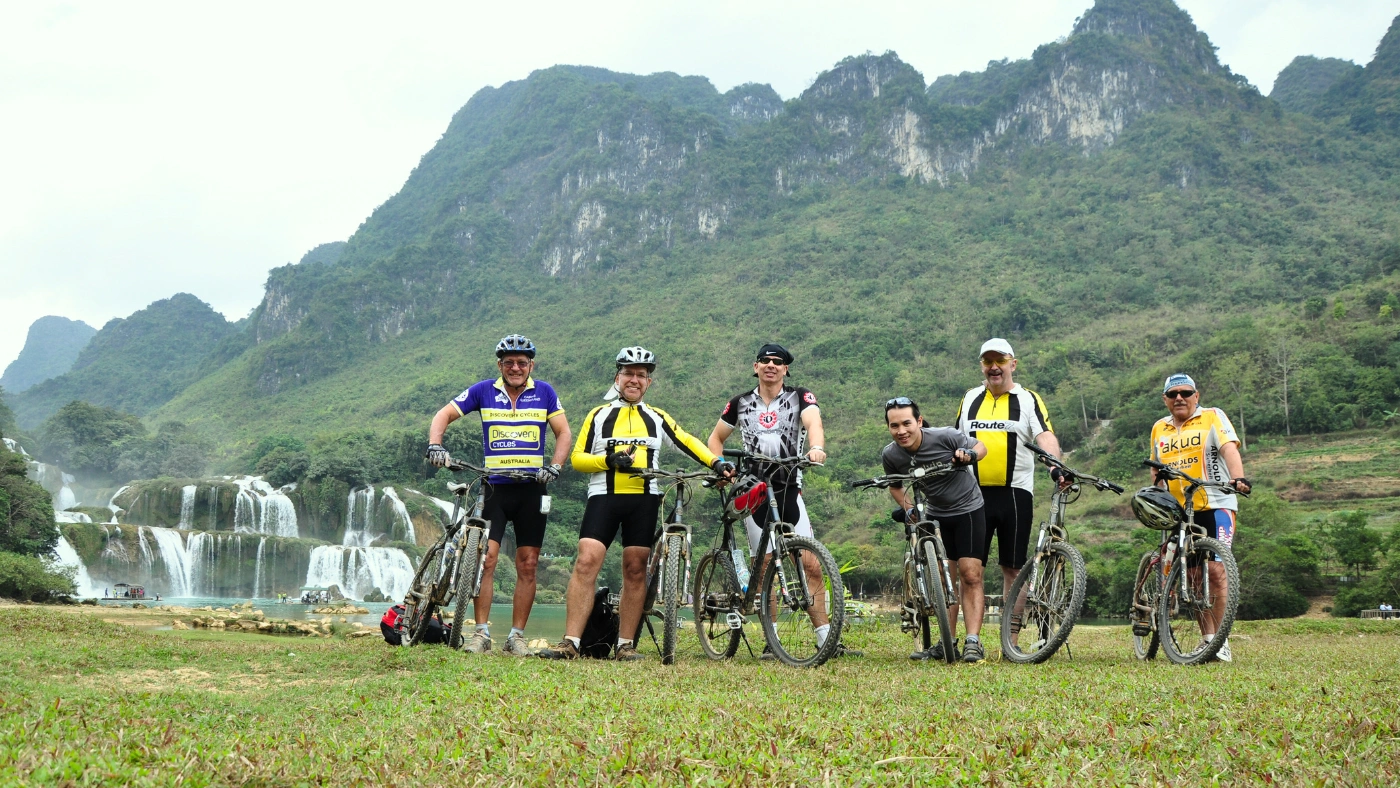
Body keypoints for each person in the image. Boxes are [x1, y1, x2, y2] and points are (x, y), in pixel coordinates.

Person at [539, 346, 734, 661]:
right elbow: (576, 459)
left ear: (648, 383)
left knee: (635, 569)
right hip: (604, 495)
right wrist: (608, 460)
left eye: (641, 375)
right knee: (586, 561)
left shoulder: (657, 417)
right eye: (628, 373)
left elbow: (687, 440)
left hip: (644, 499)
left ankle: (625, 645)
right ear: (618, 377)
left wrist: (716, 462)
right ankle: (571, 642)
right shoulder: (598, 415)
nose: (634, 380)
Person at [705, 342, 856, 658]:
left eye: (777, 362)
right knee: (764, 570)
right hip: (754, 490)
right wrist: (719, 466)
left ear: (786, 369)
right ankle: (769, 643)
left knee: (811, 564)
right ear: (755, 366)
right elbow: (716, 438)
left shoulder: (800, 396)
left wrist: (817, 448)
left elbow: (814, 423)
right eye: (765, 361)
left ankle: (825, 638)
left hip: (788, 485)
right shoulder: (740, 402)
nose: (771, 365)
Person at [427, 334, 572, 657]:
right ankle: (481, 633)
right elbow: (443, 415)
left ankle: (516, 636)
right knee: (486, 560)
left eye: (522, 363)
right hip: (494, 488)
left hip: (532, 489)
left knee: (529, 564)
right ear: (500, 366)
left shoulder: (545, 392)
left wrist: (556, 466)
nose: (516, 368)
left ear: (531, 365)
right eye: (509, 363)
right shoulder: (483, 391)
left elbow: (564, 433)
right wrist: (436, 443)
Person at [954, 338, 1066, 648]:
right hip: (971, 495)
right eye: (987, 361)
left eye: (999, 360)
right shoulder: (970, 398)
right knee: (970, 568)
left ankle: (1010, 641)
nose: (993, 367)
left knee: (1014, 569)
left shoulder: (1027, 399)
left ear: (1012, 364)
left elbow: (1044, 435)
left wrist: (1056, 467)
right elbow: (956, 440)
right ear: (982, 366)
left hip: (1015, 495)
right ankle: (971, 640)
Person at [1149, 373, 1251, 663]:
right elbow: (1157, 469)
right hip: (1179, 509)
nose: (1179, 398)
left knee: (1217, 571)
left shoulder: (1212, 417)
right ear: (1165, 400)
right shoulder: (1159, 428)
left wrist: (1238, 477)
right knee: (1193, 576)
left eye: (1185, 392)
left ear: (1196, 395)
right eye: (1172, 394)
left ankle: (1222, 642)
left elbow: (1229, 447)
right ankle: (1208, 640)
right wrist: (1157, 494)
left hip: (1215, 503)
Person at [881, 397, 990, 663]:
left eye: (907, 423)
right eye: (894, 426)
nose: (901, 431)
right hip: (935, 515)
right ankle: (946, 642)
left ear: (918, 421)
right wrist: (909, 509)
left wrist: (970, 455)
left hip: (968, 510)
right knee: (943, 580)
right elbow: (895, 485)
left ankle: (973, 642)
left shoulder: (945, 436)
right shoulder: (891, 454)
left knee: (971, 574)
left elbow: (981, 446)